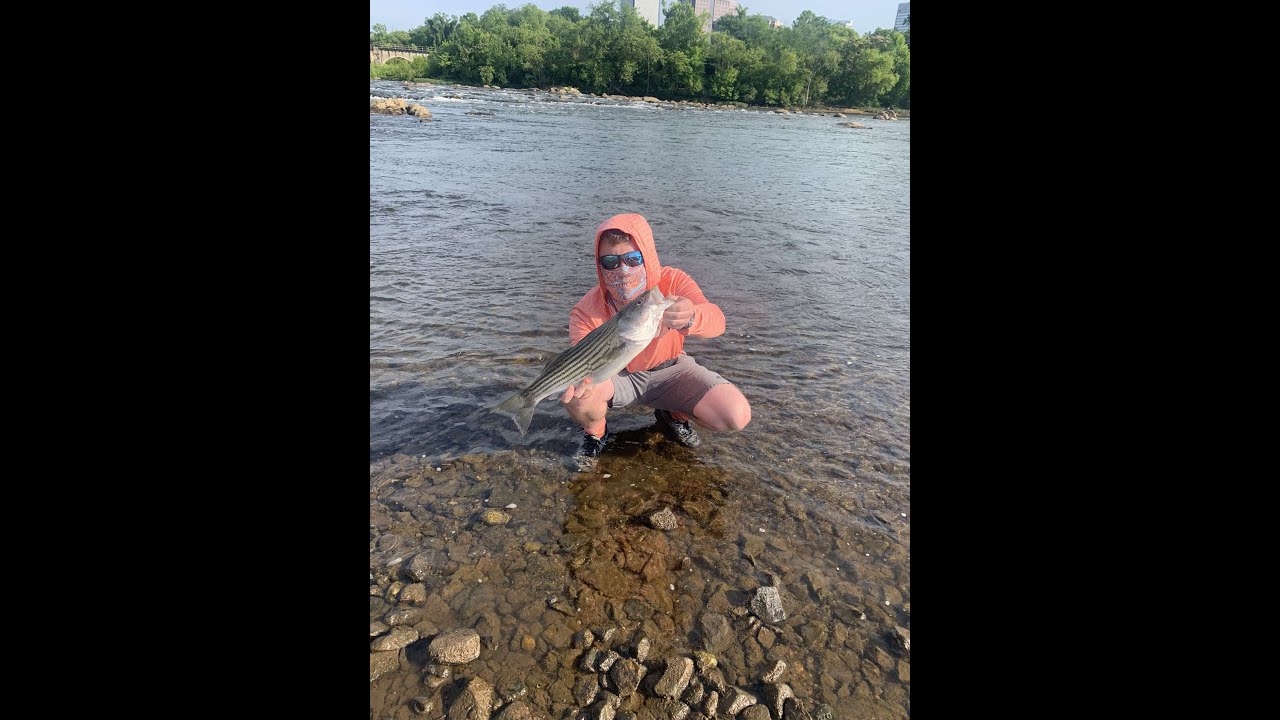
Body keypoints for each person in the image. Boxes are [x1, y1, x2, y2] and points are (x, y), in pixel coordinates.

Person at [560, 213, 752, 469]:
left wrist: (692, 316)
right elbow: (582, 360)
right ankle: (595, 433)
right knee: (577, 393)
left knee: (735, 414)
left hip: (671, 369)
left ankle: (674, 414)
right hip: (620, 377)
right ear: (599, 265)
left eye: (632, 259)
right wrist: (576, 382)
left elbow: (717, 321)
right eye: (610, 261)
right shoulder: (585, 311)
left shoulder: (671, 282)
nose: (623, 269)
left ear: (647, 255)